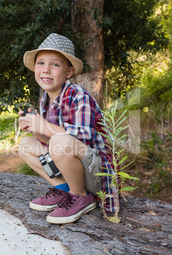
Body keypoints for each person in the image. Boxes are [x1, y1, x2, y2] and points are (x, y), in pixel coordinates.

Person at [18, 33, 116, 224]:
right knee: (26, 144)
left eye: (55, 64)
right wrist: (37, 129)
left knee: (60, 142)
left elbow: (83, 138)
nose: (46, 70)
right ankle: (64, 190)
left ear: (69, 72)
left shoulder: (77, 95)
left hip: (97, 173)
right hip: (73, 168)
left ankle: (81, 196)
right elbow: (52, 142)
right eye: (40, 63)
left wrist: (45, 126)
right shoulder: (46, 100)